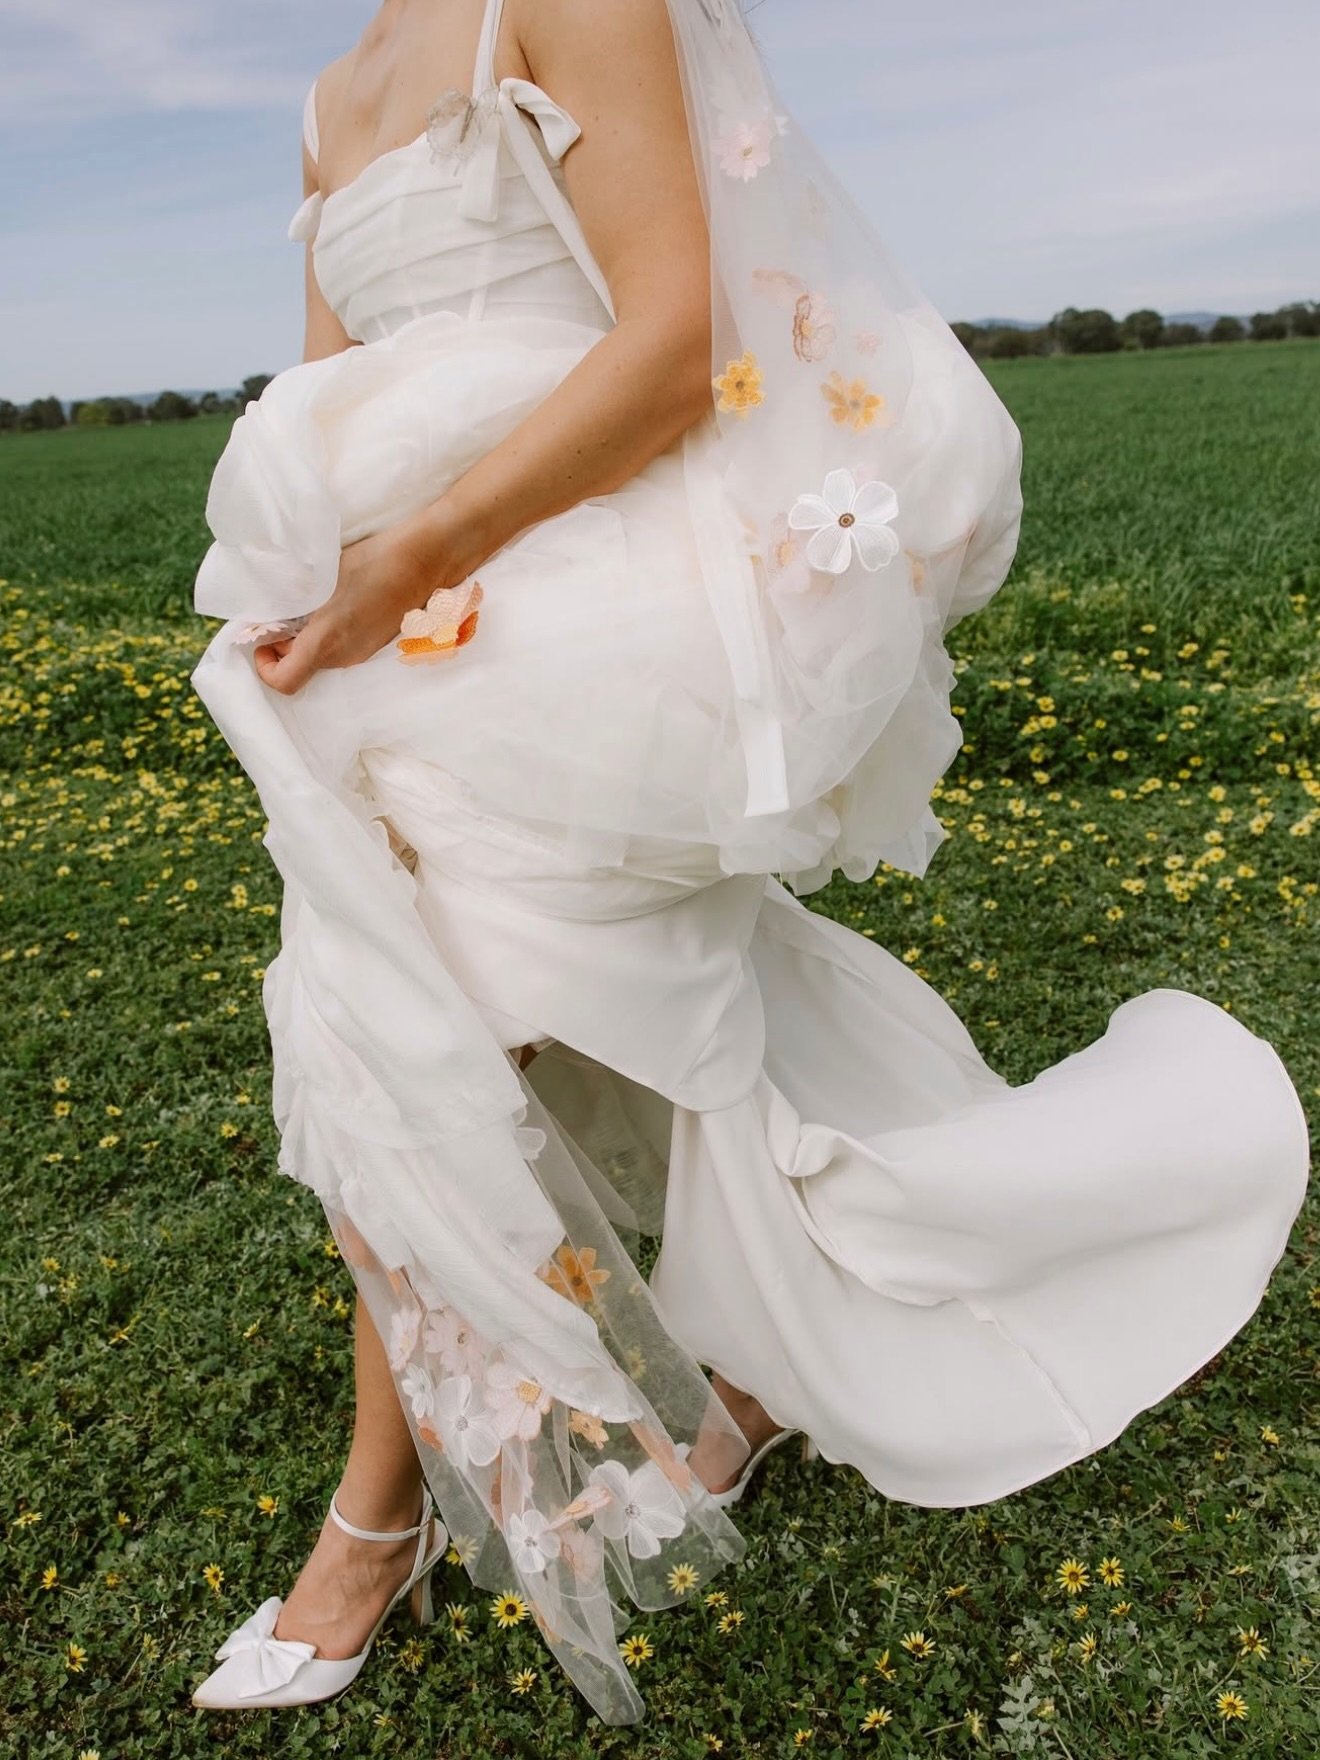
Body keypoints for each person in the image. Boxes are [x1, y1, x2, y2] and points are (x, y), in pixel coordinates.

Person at [187, 0, 1311, 1726]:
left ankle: (376, 1519)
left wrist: (418, 555)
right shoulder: (330, 96)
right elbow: (337, 399)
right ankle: (698, 1385)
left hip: (578, 593)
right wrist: (326, 588)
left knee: (444, 1035)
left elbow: (668, 340)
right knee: (381, 1020)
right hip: (395, 636)